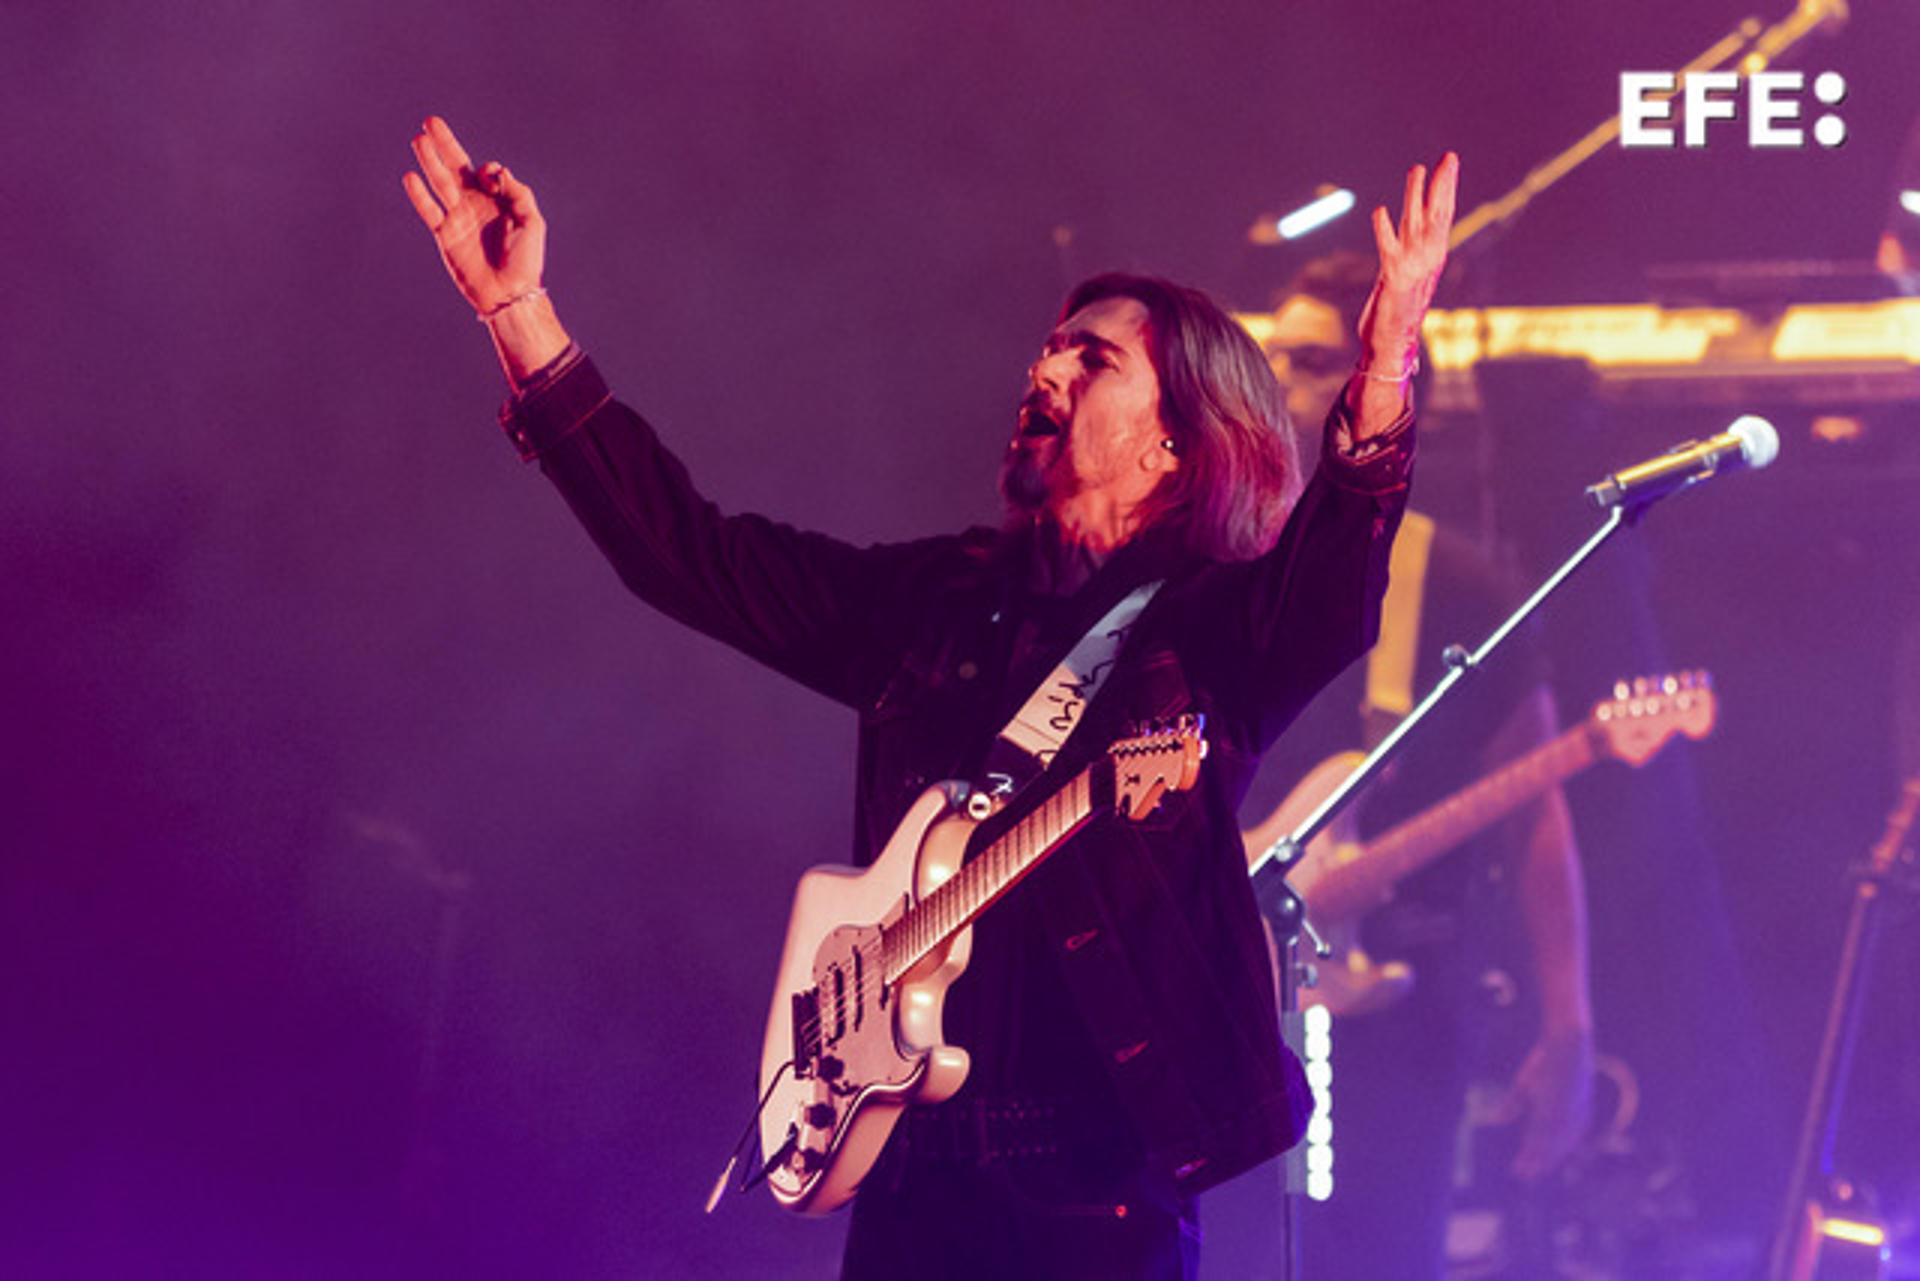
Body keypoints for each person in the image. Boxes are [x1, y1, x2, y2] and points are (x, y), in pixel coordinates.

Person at [403, 116, 1457, 1279]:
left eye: (1092, 361)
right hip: (909, 1184)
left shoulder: (1206, 630)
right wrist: (520, 318)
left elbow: (1333, 583)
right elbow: (686, 555)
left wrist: (1385, 368)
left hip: (1094, 1207)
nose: (1043, 368)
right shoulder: (934, 604)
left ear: (1173, 444)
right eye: (1050, 348)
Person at [1244, 250, 1594, 1278]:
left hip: (1395, 1005)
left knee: (1379, 1256)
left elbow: (1539, 809)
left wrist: (1570, 1022)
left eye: (1308, 358)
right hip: (1220, 999)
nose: (1271, 379)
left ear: (1384, 381)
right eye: (1272, 354)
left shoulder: (1457, 583)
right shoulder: (1215, 563)